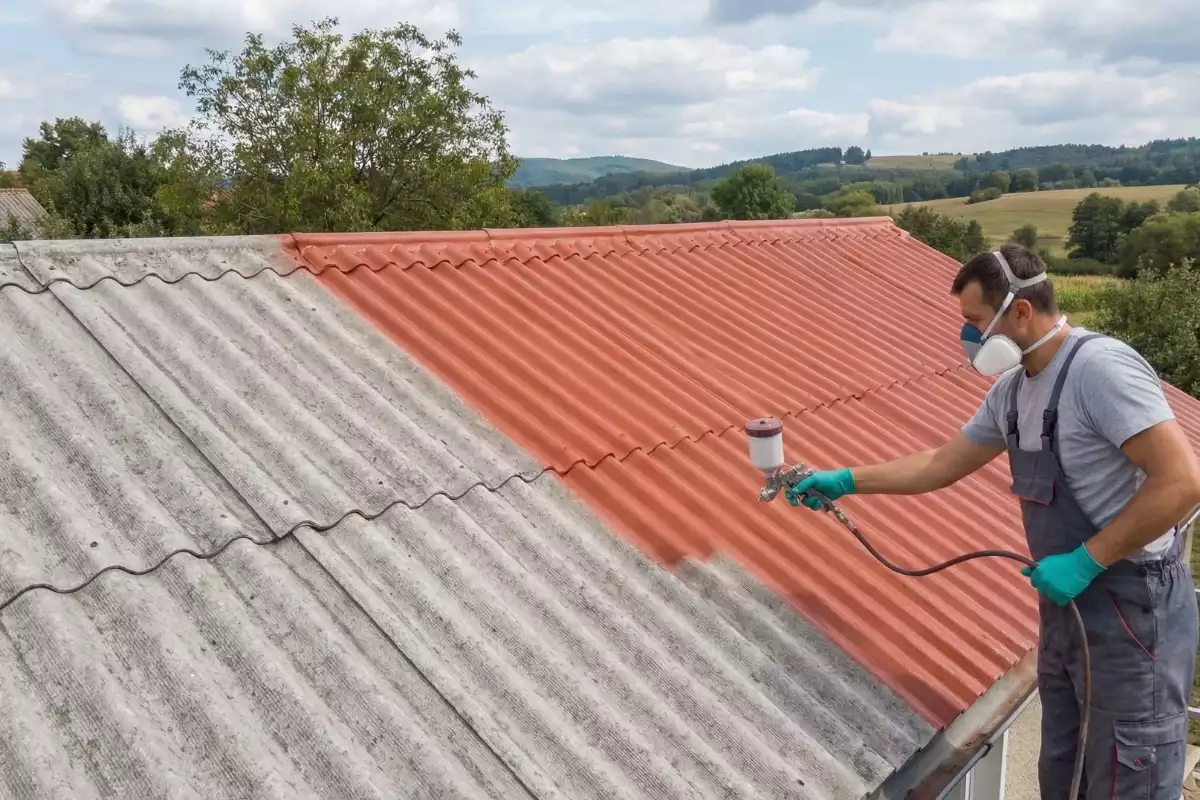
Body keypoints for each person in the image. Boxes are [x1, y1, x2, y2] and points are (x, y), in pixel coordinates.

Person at [788, 243, 1200, 800]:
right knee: (1066, 767)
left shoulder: (1099, 371)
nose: (970, 339)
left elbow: (1181, 481)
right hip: (1066, 611)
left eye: (976, 323)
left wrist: (1088, 558)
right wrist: (845, 480)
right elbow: (940, 464)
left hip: (1133, 612)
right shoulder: (1011, 392)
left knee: (1129, 776)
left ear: (1021, 312)